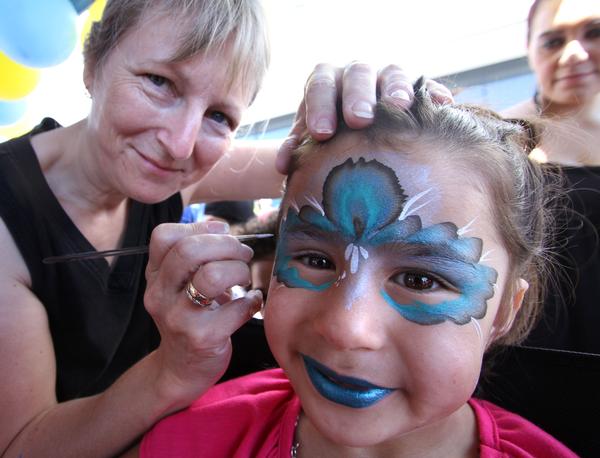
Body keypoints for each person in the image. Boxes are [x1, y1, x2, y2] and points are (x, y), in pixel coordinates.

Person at [0, 0, 456, 455]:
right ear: (92, 62)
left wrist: (364, 118)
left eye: (219, 116)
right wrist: (172, 371)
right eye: (159, 83)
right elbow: (21, 447)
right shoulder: (8, 218)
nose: (180, 145)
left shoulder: (165, 169)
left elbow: (333, 163)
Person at [134, 81, 576, 457]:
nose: (346, 329)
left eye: (420, 279)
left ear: (504, 312)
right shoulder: (190, 442)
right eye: (316, 260)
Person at [477, 2, 600, 454]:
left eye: (594, 32)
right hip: (519, 376)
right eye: (553, 41)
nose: (573, 54)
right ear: (530, 51)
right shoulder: (495, 143)